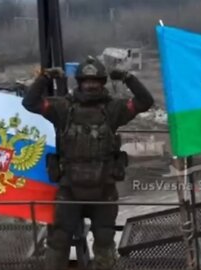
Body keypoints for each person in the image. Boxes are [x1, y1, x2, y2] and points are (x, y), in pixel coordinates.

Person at [22, 57, 154, 270]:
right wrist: (44, 77)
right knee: (58, 240)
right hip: (69, 190)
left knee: (104, 239)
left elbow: (145, 101)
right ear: (80, 83)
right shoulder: (63, 108)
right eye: (86, 81)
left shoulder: (114, 110)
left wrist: (128, 78)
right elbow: (30, 102)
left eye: (95, 82)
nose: (91, 85)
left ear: (102, 83)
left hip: (103, 190)